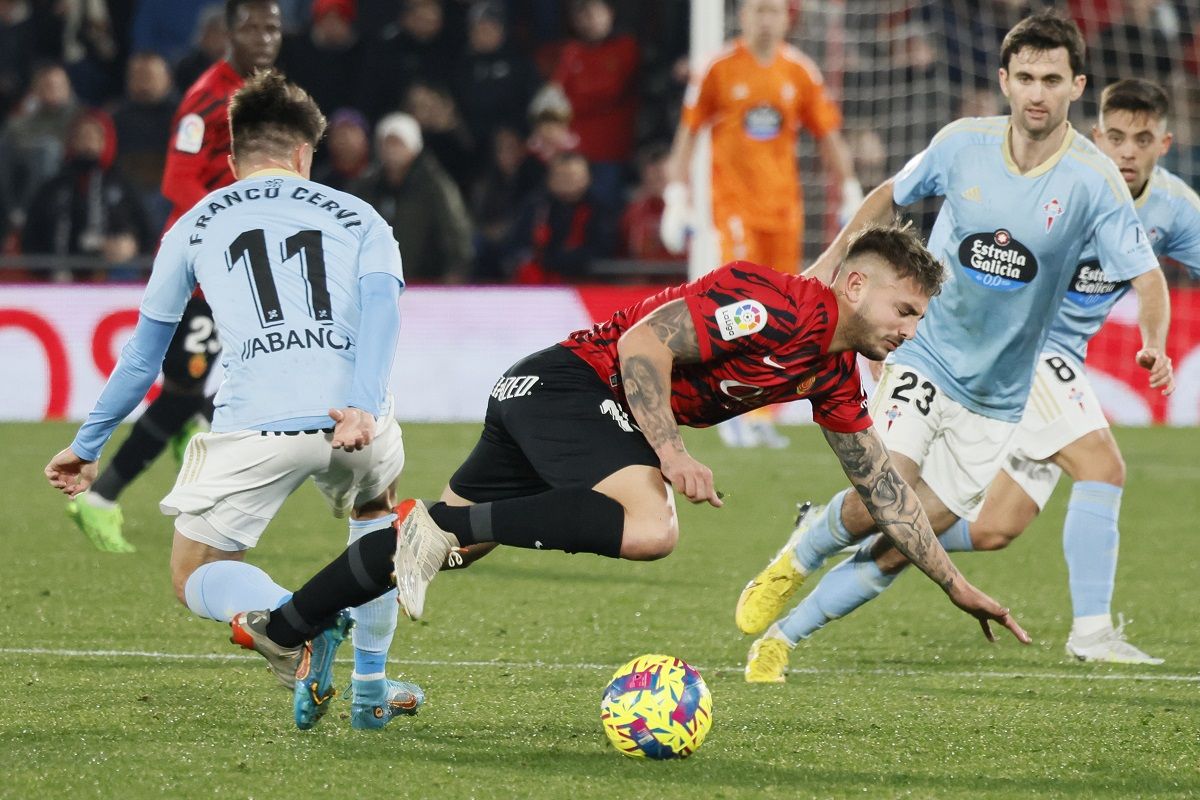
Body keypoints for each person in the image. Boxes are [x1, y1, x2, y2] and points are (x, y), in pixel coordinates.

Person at [228, 224, 1031, 730]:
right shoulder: (773, 305)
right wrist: (673, 452)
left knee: (456, 539)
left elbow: (885, 493)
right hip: (571, 384)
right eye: (906, 309)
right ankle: (434, 536)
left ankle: (289, 625)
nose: (910, 329)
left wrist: (954, 582)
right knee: (651, 528)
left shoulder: (833, 375)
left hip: (545, 399)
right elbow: (644, 344)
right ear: (856, 284)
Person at [734, 12, 1173, 683]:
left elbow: (1146, 275)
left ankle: (784, 640)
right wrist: (829, 261)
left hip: (998, 398)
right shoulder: (961, 144)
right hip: (926, 355)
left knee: (906, 544)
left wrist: (1153, 344)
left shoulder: (1093, 181)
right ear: (1003, 80)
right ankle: (797, 557)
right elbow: (891, 193)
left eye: (1051, 78)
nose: (1036, 91)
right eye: (1024, 76)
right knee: (885, 495)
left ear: (1076, 86)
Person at [43, 70, 422, 732]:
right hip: (357, 420)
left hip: (257, 424)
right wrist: (361, 405)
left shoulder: (192, 224)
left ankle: (297, 623)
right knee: (376, 516)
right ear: (305, 154)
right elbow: (385, 310)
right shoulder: (360, 214)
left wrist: (88, 444)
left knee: (194, 571)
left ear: (230, 157)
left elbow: (141, 357)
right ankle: (369, 691)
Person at [943, 78, 1198, 664]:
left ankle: (876, 532)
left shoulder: (1176, 208)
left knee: (992, 528)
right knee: (1104, 467)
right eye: (1116, 137)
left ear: (1165, 143)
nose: (1127, 151)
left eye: (1141, 139)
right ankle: (1091, 634)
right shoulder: (1062, 176)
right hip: (1017, 348)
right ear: (1096, 134)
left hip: (1061, 367)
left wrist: (1155, 342)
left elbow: (1155, 284)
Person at [65, 0, 282, 554]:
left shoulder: (262, 95)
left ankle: (192, 440)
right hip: (203, 268)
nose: (263, 36)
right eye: (251, 26)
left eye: (272, 26)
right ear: (226, 32)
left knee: (205, 382)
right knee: (185, 388)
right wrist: (226, 231)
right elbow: (177, 182)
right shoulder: (207, 99)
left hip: (234, 267)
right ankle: (100, 498)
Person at [660, 0, 863, 449]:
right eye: (757, 10)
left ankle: (760, 412)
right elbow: (688, 132)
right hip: (734, 209)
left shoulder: (800, 71)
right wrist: (676, 196)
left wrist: (849, 187)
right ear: (743, 15)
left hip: (785, 211)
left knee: (782, 311)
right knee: (743, 305)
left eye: (773, 10)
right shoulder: (718, 68)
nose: (765, 19)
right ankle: (721, 404)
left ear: (786, 17)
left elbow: (828, 134)